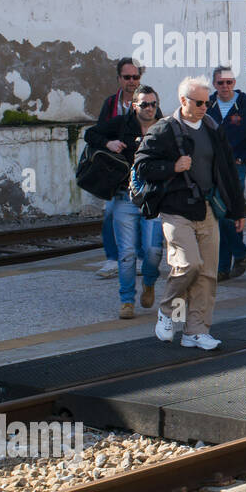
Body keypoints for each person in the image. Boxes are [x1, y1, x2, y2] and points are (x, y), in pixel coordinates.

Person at [135, 76, 244, 350]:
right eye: (198, 102)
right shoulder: (163, 130)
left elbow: (228, 170)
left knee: (207, 273)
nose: (204, 107)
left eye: (208, 102)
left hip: (207, 208)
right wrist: (173, 166)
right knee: (188, 264)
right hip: (175, 209)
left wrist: (238, 210)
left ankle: (195, 331)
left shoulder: (212, 127)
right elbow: (142, 166)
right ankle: (167, 311)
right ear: (183, 101)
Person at [85, 83, 163, 319]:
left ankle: (149, 281)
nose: (149, 108)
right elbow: (91, 134)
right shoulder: (122, 124)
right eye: (145, 104)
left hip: (153, 198)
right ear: (134, 105)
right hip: (125, 196)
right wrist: (108, 143)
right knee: (127, 252)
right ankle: (126, 300)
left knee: (153, 251)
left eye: (153, 104)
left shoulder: (165, 127)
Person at [208, 66, 246, 282]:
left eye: (229, 82)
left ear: (235, 83)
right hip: (212, 168)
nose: (225, 86)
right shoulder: (207, 104)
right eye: (220, 83)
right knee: (221, 213)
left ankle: (230, 262)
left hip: (235, 167)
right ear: (214, 84)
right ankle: (234, 257)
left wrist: (243, 157)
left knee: (229, 212)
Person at [93, 58, 143, 279]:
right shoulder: (110, 104)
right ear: (119, 78)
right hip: (113, 171)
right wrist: (108, 143)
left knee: (143, 215)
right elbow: (97, 133)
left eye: (135, 77)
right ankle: (113, 259)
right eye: (127, 77)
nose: (131, 81)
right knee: (111, 214)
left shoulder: (147, 101)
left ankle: (141, 259)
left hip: (140, 170)